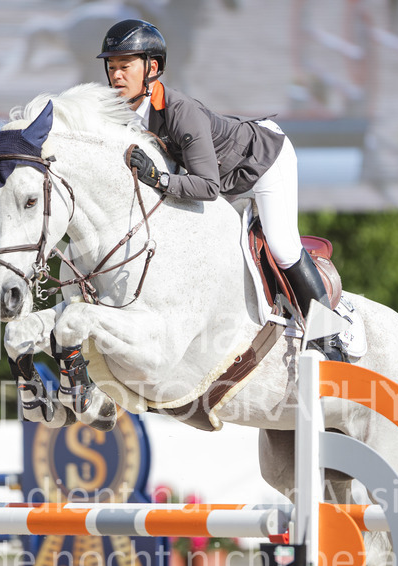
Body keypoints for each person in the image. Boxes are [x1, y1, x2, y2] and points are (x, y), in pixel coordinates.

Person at [97, 19, 346, 361]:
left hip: (262, 162)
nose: (116, 76)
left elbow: (208, 186)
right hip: (222, 174)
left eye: (125, 66)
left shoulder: (179, 111)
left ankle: (329, 338)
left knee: (283, 247)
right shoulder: (121, 115)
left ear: (152, 68)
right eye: (111, 67)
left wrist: (160, 179)